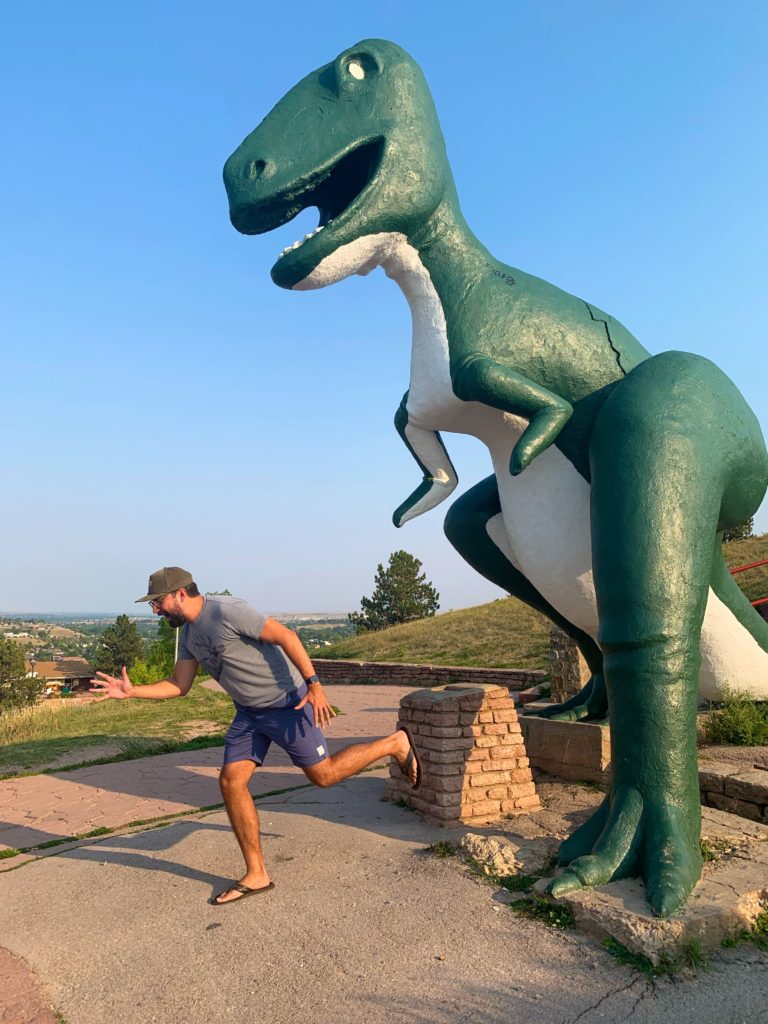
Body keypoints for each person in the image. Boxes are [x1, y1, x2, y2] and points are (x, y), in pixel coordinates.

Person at [91, 566, 420, 906]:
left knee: (324, 775)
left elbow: (287, 637)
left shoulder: (226, 611)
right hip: (249, 713)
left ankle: (395, 743)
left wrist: (315, 686)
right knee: (231, 782)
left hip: (289, 703)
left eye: (158, 602)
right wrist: (132, 692)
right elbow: (180, 685)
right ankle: (257, 873)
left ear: (180, 593)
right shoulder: (188, 635)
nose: (155, 610)